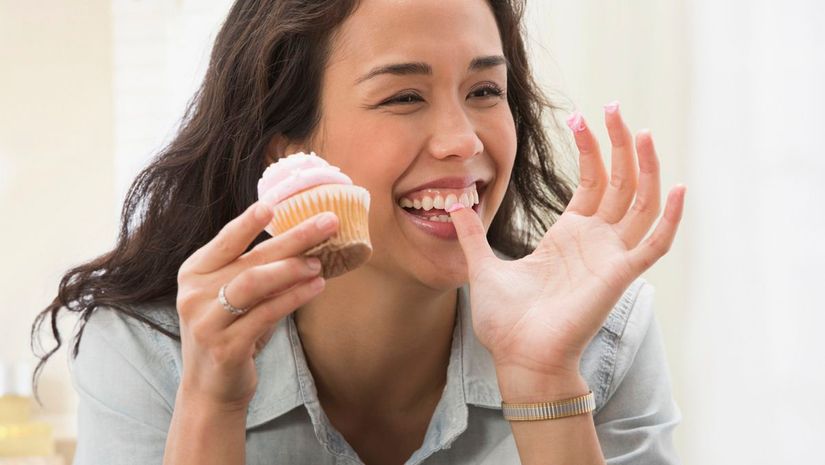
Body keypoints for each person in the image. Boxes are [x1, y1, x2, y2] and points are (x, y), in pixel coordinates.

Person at [31, 0, 687, 464]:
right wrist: (210, 398)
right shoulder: (154, 350)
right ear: (286, 151)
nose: (463, 141)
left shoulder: (598, 337)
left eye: (485, 90)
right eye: (404, 97)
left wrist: (546, 381)